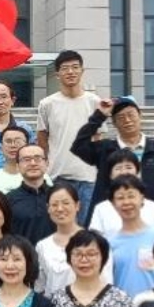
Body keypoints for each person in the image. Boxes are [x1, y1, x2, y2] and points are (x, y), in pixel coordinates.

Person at [72, 96, 154, 211]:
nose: (127, 120)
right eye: (121, 117)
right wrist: (99, 116)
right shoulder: (105, 149)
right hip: (109, 217)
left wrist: (152, 214)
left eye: (131, 115)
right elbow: (79, 146)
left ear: (140, 115)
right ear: (114, 123)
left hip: (149, 218)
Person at [36, 49, 101, 223]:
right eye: (65, 68)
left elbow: (98, 138)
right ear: (57, 74)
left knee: (86, 228)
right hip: (58, 176)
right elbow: (42, 137)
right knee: (59, 225)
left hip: (88, 177)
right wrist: (45, 165)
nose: (70, 72)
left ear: (82, 70)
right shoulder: (47, 104)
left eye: (75, 67)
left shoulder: (94, 102)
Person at [35, 183, 109, 297]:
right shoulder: (42, 246)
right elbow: (40, 286)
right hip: (53, 306)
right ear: (48, 208)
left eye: (66, 203)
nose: (60, 209)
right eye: (54, 204)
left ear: (77, 205)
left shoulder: (96, 242)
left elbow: (106, 282)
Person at [88, 151, 154, 238]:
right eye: (118, 168)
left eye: (128, 167)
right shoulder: (101, 208)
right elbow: (96, 238)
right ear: (110, 175)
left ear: (138, 172)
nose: (124, 172)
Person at [107, 176, 154, 297]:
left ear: (142, 199)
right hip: (121, 305)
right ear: (113, 204)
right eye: (120, 198)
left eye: (131, 196)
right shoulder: (110, 243)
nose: (126, 202)